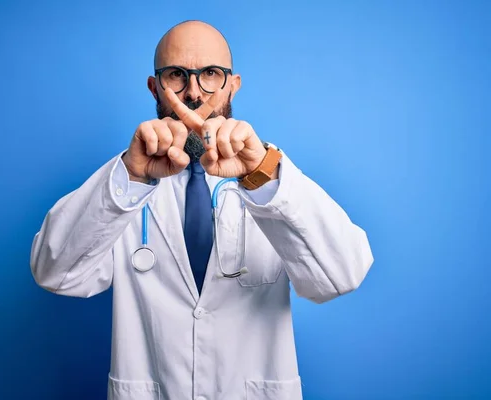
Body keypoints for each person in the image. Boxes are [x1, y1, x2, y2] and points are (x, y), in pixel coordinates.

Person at [30, 19, 374, 400]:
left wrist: (263, 173)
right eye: (177, 75)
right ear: (154, 86)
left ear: (233, 84)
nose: (194, 93)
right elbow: (55, 273)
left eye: (211, 73)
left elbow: (342, 275)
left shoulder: (270, 177)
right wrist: (130, 175)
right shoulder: (126, 181)